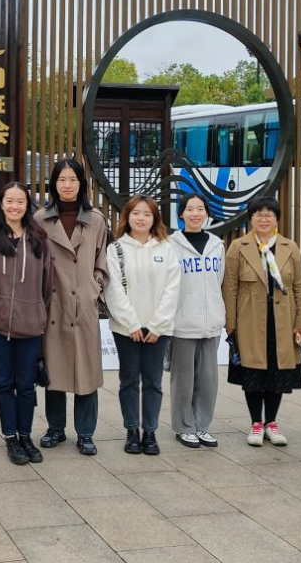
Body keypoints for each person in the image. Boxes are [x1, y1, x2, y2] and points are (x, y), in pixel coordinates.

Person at [35, 159, 108, 456]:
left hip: (83, 304)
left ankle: (86, 432)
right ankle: (55, 428)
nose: (67, 185)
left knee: (85, 370)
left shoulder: (96, 219)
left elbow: (102, 260)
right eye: (62, 179)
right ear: (54, 184)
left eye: (73, 179)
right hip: (53, 303)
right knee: (54, 370)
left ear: (82, 184)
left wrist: (94, 287)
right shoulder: (41, 219)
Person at [223, 197, 301, 447]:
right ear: (250, 219)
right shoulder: (238, 247)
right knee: (253, 372)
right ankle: (255, 424)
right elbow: (230, 287)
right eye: (258, 214)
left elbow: (300, 287)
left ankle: (271, 422)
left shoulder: (290, 247)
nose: (264, 219)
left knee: (277, 373)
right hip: (249, 322)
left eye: (269, 214)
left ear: (277, 219)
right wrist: (231, 323)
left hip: (282, 322)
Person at [0, 181, 53, 465]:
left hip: (31, 324)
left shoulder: (39, 240)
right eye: (9, 200)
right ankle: (11, 437)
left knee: (26, 384)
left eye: (20, 201)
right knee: (4, 382)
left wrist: (38, 311)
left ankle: (26, 436)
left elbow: (47, 284)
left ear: (27, 205)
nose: (14, 206)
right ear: (1, 204)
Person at [104, 194, 181, 456]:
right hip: (126, 330)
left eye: (147, 214)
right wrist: (132, 324)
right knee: (128, 380)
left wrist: (157, 325)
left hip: (158, 330)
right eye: (136, 213)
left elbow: (173, 289)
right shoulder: (116, 249)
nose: (141, 218)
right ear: (127, 217)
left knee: (153, 381)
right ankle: (131, 431)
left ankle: (150, 432)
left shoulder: (166, 248)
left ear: (155, 219)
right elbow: (113, 289)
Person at [167, 193, 226, 448]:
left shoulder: (217, 244)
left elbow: (219, 280)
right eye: (189, 209)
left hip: (211, 323)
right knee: (183, 381)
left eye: (200, 209)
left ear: (207, 213)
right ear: (181, 214)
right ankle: (184, 427)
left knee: (208, 380)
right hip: (183, 323)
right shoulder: (171, 245)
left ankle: (202, 426)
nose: (195, 214)